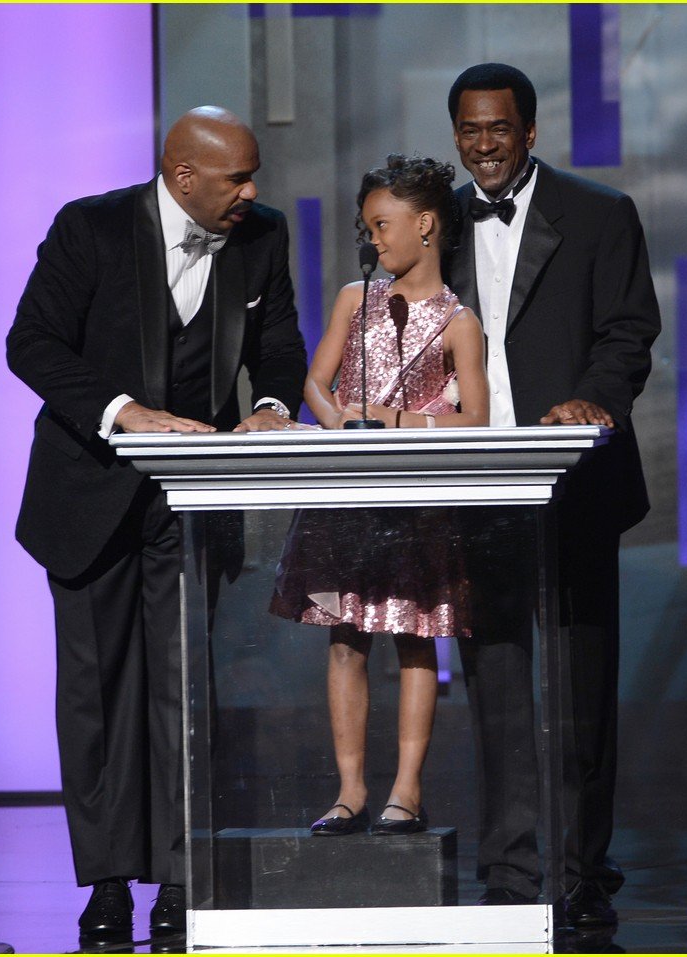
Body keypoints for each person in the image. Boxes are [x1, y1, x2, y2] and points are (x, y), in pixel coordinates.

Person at [6, 106, 307, 939]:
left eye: (253, 177)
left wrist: (274, 404)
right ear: (183, 178)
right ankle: (106, 881)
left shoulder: (261, 235)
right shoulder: (91, 228)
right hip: (88, 493)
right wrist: (123, 410)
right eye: (237, 178)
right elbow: (30, 344)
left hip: (190, 501)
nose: (253, 191)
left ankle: (181, 876)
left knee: (184, 691)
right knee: (97, 696)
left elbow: (278, 342)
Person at [445, 64, 662, 927]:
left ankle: (580, 864)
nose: (484, 144)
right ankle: (509, 862)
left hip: (572, 474)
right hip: (472, 483)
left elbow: (629, 331)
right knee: (494, 678)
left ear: (530, 132)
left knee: (579, 683)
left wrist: (592, 403)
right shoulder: (435, 223)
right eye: (469, 130)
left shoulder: (601, 214)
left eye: (499, 128)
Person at [269, 154, 489, 837]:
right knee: (345, 639)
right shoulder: (352, 299)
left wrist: (394, 421)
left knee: (416, 637)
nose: (374, 240)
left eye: (382, 225)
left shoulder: (459, 320)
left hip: (416, 496)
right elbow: (315, 380)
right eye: (368, 228)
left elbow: (476, 418)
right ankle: (350, 788)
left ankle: (407, 788)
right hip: (348, 490)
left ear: (426, 225)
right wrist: (338, 422)